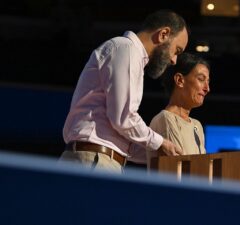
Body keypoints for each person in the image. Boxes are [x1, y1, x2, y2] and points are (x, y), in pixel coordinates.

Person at [59, 10, 189, 173]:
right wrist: (160, 142)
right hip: (94, 160)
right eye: (176, 50)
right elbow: (123, 117)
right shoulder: (125, 48)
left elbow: (122, 138)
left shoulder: (130, 54)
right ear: (163, 34)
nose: (174, 60)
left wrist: (161, 152)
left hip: (99, 159)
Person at [147, 53, 210, 165]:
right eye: (201, 79)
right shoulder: (166, 119)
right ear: (180, 80)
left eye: (208, 82)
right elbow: (179, 169)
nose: (207, 88)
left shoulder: (197, 125)